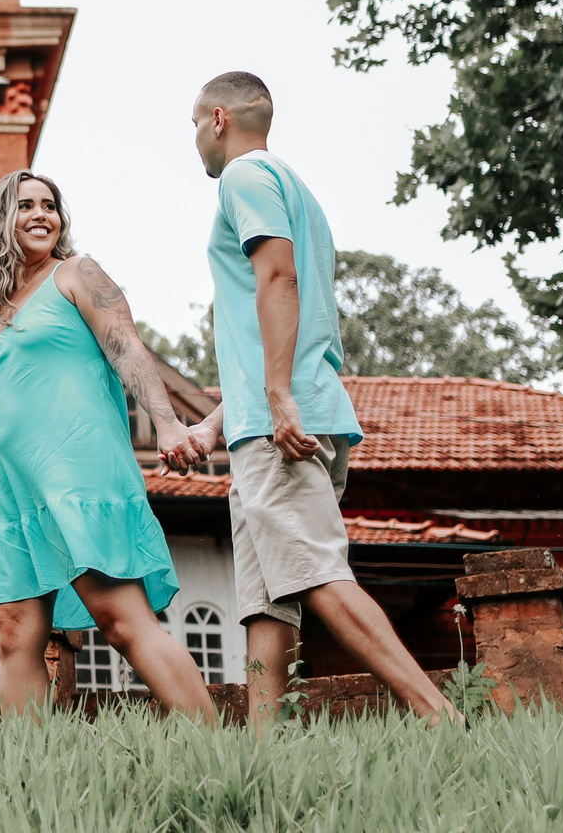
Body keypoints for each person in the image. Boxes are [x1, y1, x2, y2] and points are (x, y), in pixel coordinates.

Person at [162, 71, 459, 728]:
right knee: (267, 601)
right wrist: (215, 425)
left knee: (318, 573)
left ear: (219, 118)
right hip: (269, 418)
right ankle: (265, 756)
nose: (195, 139)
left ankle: (441, 716)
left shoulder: (244, 176)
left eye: (194, 124)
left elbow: (279, 279)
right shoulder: (294, 189)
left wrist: (276, 399)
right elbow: (276, 319)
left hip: (281, 422)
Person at [0, 170, 218, 720]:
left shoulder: (75, 274)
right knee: (13, 634)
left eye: (50, 205)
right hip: (13, 497)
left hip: (78, 475)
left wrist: (167, 423)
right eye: (26, 205)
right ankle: (28, 766)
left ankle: (220, 747)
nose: (42, 214)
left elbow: (128, 348)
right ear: (1, 221)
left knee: (121, 619)